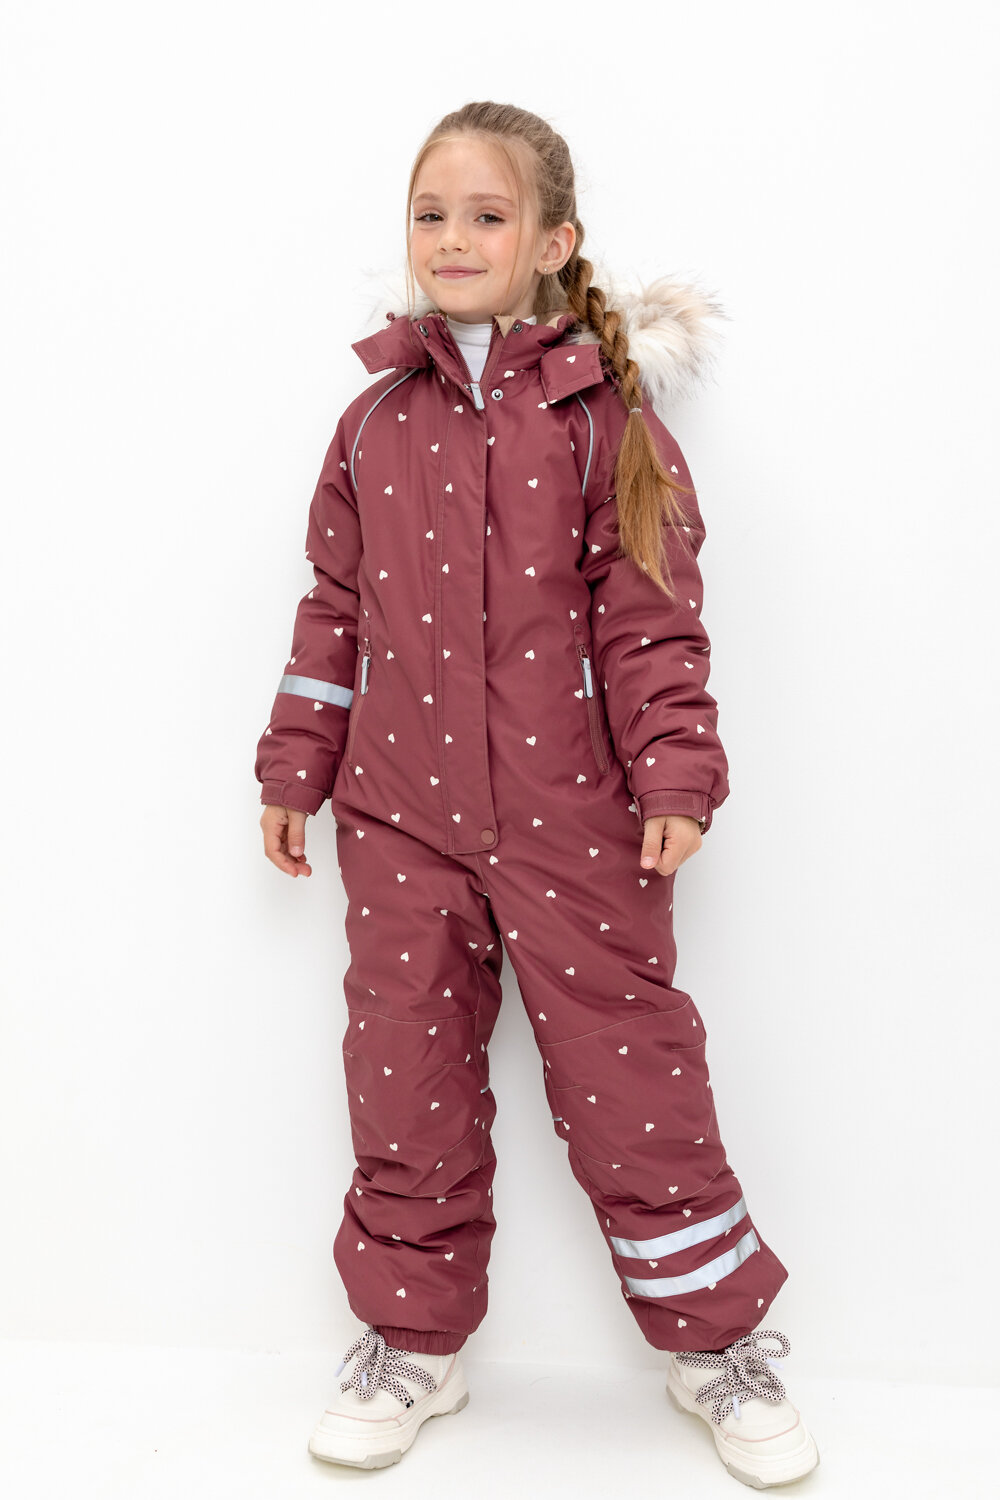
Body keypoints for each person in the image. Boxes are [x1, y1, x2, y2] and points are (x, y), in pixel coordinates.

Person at [254, 100, 820, 1488]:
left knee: (635, 1082)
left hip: (578, 821)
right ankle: (412, 1342)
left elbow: (652, 622)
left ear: (555, 242)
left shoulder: (605, 423)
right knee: (404, 1080)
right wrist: (296, 763)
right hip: (399, 817)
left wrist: (675, 771)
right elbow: (334, 609)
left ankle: (715, 1344)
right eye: (430, 215)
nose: (453, 238)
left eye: (487, 216)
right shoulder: (371, 425)